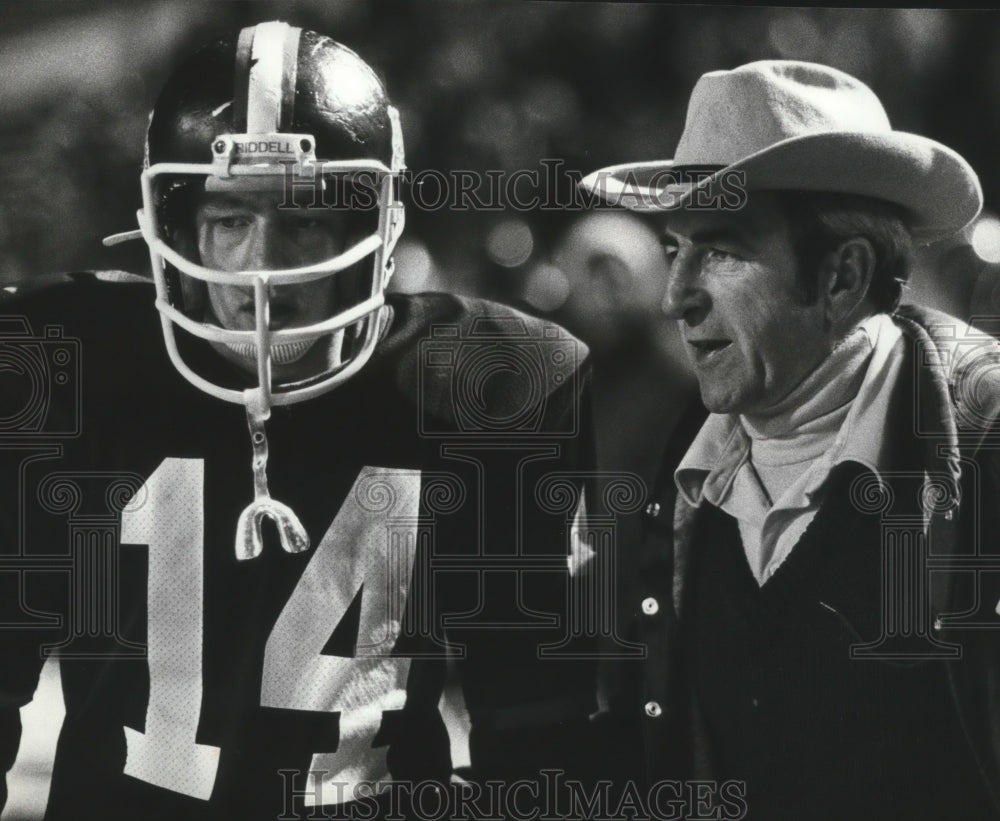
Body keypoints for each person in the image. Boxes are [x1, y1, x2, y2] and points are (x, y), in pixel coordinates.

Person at [0, 22, 598, 820]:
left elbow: (534, 733)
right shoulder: (62, 363)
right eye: (230, 220)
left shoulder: (489, 383)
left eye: (304, 220)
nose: (261, 266)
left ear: (369, 231)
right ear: (174, 229)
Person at [581, 60, 1000, 819]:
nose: (676, 296)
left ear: (843, 276)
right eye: (675, 249)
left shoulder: (987, 447)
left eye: (723, 250)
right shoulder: (675, 467)